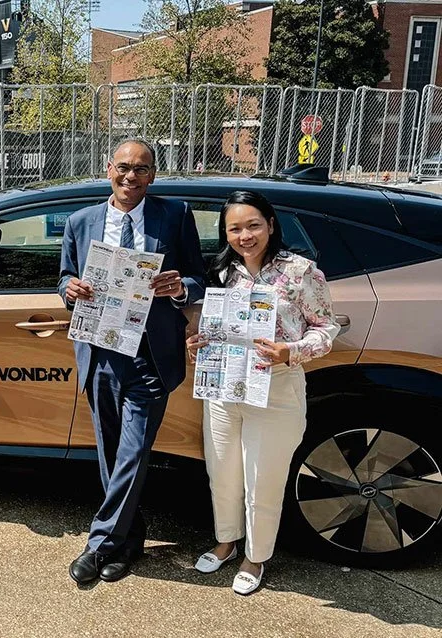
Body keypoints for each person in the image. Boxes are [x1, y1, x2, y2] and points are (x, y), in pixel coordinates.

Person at [59, 139, 206, 585]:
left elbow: (200, 278)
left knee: (133, 450)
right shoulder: (80, 221)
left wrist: (179, 287)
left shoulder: (175, 215)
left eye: (141, 169)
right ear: (108, 169)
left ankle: (99, 543)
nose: (131, 177)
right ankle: (128, 541)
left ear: (153, 175)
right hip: (101, 351)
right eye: (123, 167)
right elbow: (65, 276)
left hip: (150, 356)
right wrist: (70, 290)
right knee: (111, 453)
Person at [186, 190, 339, 595]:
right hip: (223, 388)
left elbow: (326, 328)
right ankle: (225, 542)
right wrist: (198, 343)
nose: (244, 235)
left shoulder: (301, 271)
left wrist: (292, 350)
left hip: (276, 390)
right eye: (234, 228)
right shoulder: (222, 273)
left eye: (253, 225)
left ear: (270, 225)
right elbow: (214, 328)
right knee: (222, 474)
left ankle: (255, 557)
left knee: (263, 481)